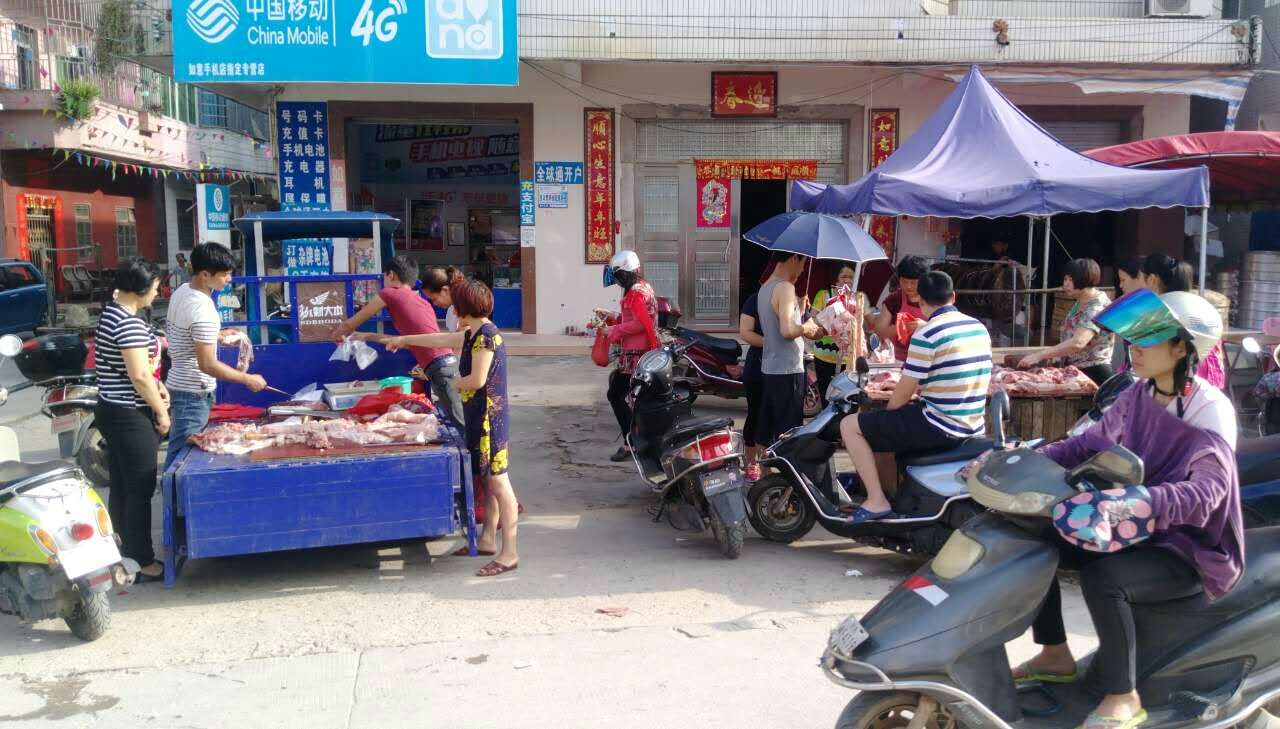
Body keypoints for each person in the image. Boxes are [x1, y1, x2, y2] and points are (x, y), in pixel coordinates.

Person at [1013, 290, 1242, 729]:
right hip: (1136, 524)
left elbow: (1207, 493)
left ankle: (1123, 695)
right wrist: (1027, 458)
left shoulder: (1210, 410)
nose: (1133, 347)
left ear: (1182, 348)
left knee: (1105, 578)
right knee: (1036, 540)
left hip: (1189, 545)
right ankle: (1055, 652)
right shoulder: (1139, 393)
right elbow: (1088, 444)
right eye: (1133, 338)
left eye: (1148, 339)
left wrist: (1140, 501)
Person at [384, 281, 519, 577]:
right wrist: (405, 339)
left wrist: (447, 383)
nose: (452, 308)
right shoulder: (474, 332)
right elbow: (442, 338)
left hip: (489, 421)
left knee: (499, 483)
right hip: (478, 417)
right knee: (487, 480)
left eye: (455, 303)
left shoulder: (486, 336)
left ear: (463, 308)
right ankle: (487, 540)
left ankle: (509, 553)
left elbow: (477, 380)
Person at [840, 271, 991, 522]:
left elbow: (903, 392)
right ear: (953, 297)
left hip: (939, 425)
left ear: (920, 301)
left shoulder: (928, 333)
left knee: (850, 426)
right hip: (973, 424)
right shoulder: (978, 328)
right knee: (881, 425)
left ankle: (876, 500)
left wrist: (887, 419)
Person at [96, 259, 169, 582]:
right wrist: (161, 411)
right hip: (128, 414)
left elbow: (141, 370)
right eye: (155, 287)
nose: (157, 293)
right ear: (140, 288)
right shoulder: (128, 323)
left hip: (112, 408)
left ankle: (121, 556)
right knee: (139, 488)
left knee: (122, 487)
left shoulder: (112, 313)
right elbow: (139, 376)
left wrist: (158, 386)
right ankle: (142, 561)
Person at [164, 242, 266, 471]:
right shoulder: (203, 309)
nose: (229, 279)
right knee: (181, 459)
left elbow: (185, 333)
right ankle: (170, 495)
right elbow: (207, 364)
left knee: (180, 452)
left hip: (181, 385)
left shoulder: (183, 291)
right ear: (205, 274)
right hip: (193, 392)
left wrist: (215, 335)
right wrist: (247, 379)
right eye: (225, 274)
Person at [335, 256, 465, 428]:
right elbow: (406, 342)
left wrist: (337, 333)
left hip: (440, 368)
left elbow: (353, 322)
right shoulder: (421, 302)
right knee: (459, 419)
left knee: (462, 423)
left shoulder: (389, 293)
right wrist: (367, 336)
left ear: (391, 275)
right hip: (445, 365)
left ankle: (482, 447)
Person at [755, 251, 823, 447]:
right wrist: (805, 327)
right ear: (794, 259)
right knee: (789, 435)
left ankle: (764, 467)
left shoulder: (766, 287)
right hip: (788, 370)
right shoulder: (785, 288)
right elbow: (787, 331)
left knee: (766, 432)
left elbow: (778, 322)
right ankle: (786, 467)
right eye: (803, 264)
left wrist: (798, 310)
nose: (802, 270)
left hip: (770, 368)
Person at [601, 250, 659, 462]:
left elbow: (640, 324)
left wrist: (613, 330)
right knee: (633, 398)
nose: (616, 280)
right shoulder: (642, 287)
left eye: (618, 275)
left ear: (625, 273)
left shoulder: (635, 292)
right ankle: (638, 439)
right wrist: (612, 316)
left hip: (636, 354)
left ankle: (630, 443)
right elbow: (635, 318)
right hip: (641, 351)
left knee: (616, 395)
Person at [1019, 258, 1115, 385]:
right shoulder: (1080, 301)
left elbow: (1078, 342)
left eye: (1071, 280)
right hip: (1076, 371)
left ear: (1085, 279)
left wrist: (1040, 355)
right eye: (1065, 279)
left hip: (1094, 373)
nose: (1066, 284)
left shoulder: (1097, 307)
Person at [1138, 254, 1227, 390]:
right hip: (1210, 376)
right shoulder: (1196, 305)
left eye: (1140, 278)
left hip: (1183, 381)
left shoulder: (1161, 314)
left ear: (1152, 279)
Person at [870, 255, 930, 362]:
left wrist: (924, 326)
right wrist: (897, 329)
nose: (908, 286)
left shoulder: (933, 298)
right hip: (897, 360)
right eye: (904, 281)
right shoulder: (894, 300)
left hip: (926, 359)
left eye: (913, 283)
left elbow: (944, 330)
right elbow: (879, 331)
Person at [812, 264, 856, 403]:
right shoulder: (823, 295)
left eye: (851, 277)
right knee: (825, 396)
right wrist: (829, 317)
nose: (847, 280)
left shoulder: (855, 298)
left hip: (846, 358)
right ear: (836, 278)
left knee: (844, 400)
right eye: (844, 276)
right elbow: (813, 320)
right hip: (823, 355)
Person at [738, 291, 765, 481]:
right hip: (758, 365)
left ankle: (768, 464)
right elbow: (745, 332)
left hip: (784, 368)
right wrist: (772, 342)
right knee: (756, 414)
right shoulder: (755, 299)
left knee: (774, 419)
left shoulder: (793, 299)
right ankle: (751, 462)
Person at [421, 265, 464, 333]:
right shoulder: (451, 310)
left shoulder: (468, 307)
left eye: (434, 299)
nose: (434, 304)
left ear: (445, 290)